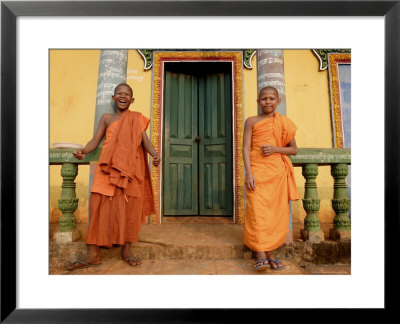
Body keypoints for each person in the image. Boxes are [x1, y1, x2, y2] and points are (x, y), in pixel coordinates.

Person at [68, 83, 160, 270]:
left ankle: (126, 251)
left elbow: (145, 142)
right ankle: (93, 254)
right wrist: (84, 151)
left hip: (130, 170)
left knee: (130, 210)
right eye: (119, 93)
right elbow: (95, 140)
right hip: (107, 168)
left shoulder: (136, 119)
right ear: (113, 97)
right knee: (97, 206)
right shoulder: (107, 118)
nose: (123, 96)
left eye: (127, 94)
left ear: (132, 100)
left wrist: (156, 155)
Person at [242, 86, 300, 271]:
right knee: (257, 212)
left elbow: (294, 150)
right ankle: (260, 253)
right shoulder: (251, 121)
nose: (268, 101)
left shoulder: (284, 123)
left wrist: (275, 149)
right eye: (264, 98)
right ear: (258, 102)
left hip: (276, 174)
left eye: (271, 98)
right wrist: (249, 173)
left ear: (278, 101)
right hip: (257, 172)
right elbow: (245, 148)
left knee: (274, 215)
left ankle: (270, 253)